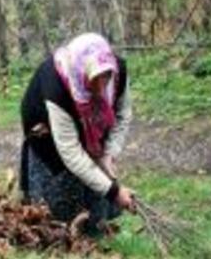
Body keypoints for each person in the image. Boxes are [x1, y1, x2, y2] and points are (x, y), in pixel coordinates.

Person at [19, 32, 134, 236]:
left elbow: (123, 115)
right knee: (58, 204)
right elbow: (72, 154)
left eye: (105, 79)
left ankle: (95, 232)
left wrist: (108, 153)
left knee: (96, 184)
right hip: (47, 134)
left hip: (90, 131)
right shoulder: (56, 88)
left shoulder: (117, 71)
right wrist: (115, 192)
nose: (100, 89)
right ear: (80, 73)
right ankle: (63, 237)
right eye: (93, 81)